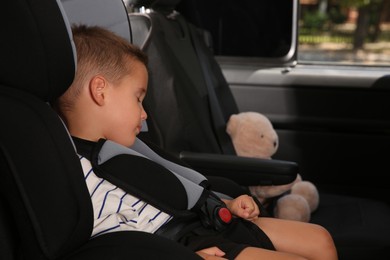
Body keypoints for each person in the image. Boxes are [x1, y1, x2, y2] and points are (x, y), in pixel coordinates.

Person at [54, 24, 338, 260]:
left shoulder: (127, 147)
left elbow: (176, 188)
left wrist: (225, 203)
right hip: (180, 246)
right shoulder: (79, 172)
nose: (144, 113)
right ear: (100, 91)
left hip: (204, 221)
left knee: (321, 239)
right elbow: (113, 245)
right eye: (138, 98)